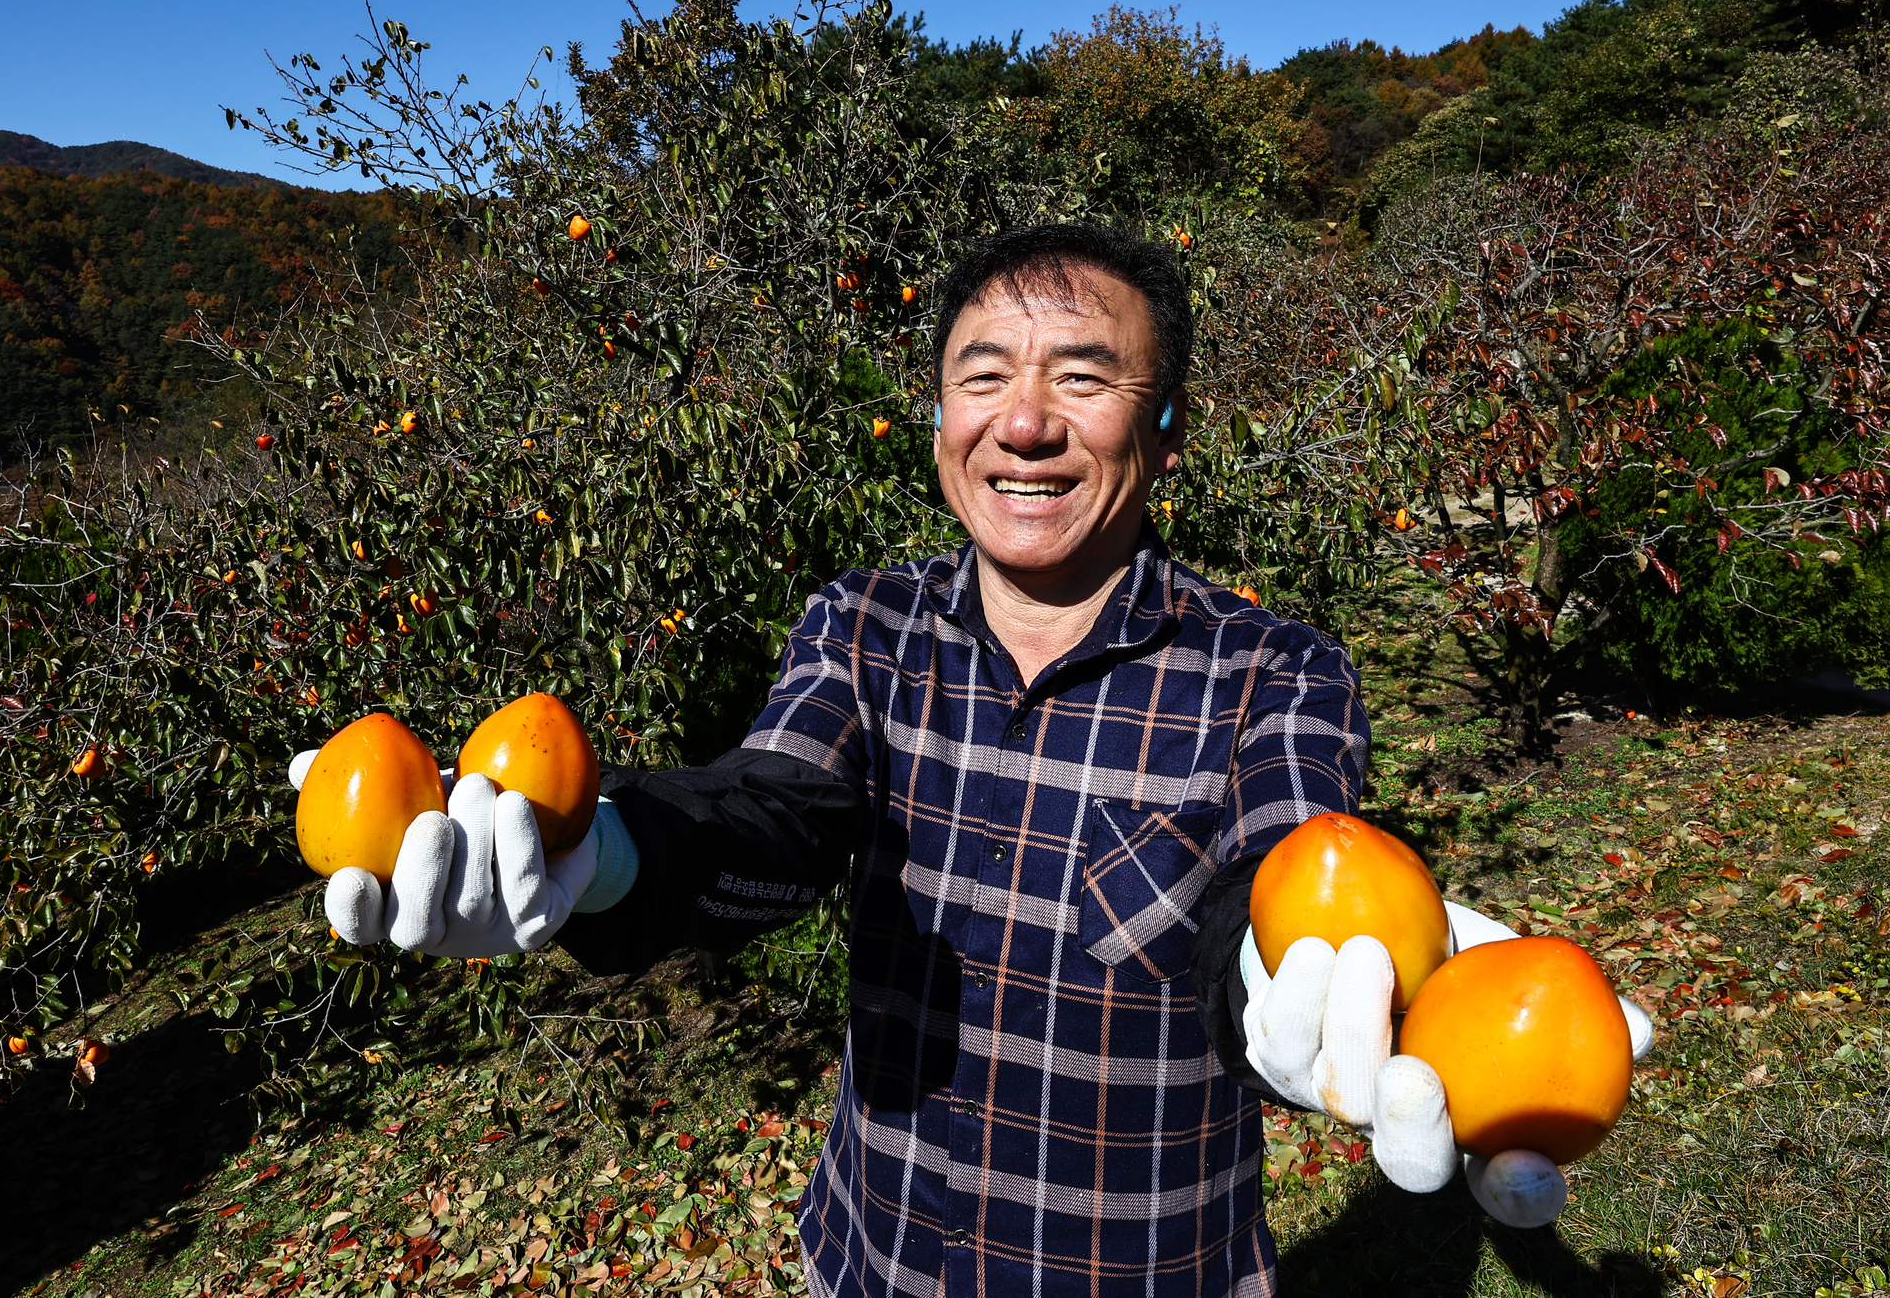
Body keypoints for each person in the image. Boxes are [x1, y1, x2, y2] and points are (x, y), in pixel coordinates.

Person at [296, 225, 1632, 1297]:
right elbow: (775, 816)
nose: (1026, 421)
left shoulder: (1272, 672)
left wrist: (1311, 978)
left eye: (1085, 378)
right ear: (939, 426)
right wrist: (599, 854)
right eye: (983, 376)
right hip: (874, 1255)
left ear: (1163, 439)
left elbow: (1287, 883)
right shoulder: (864, 625)